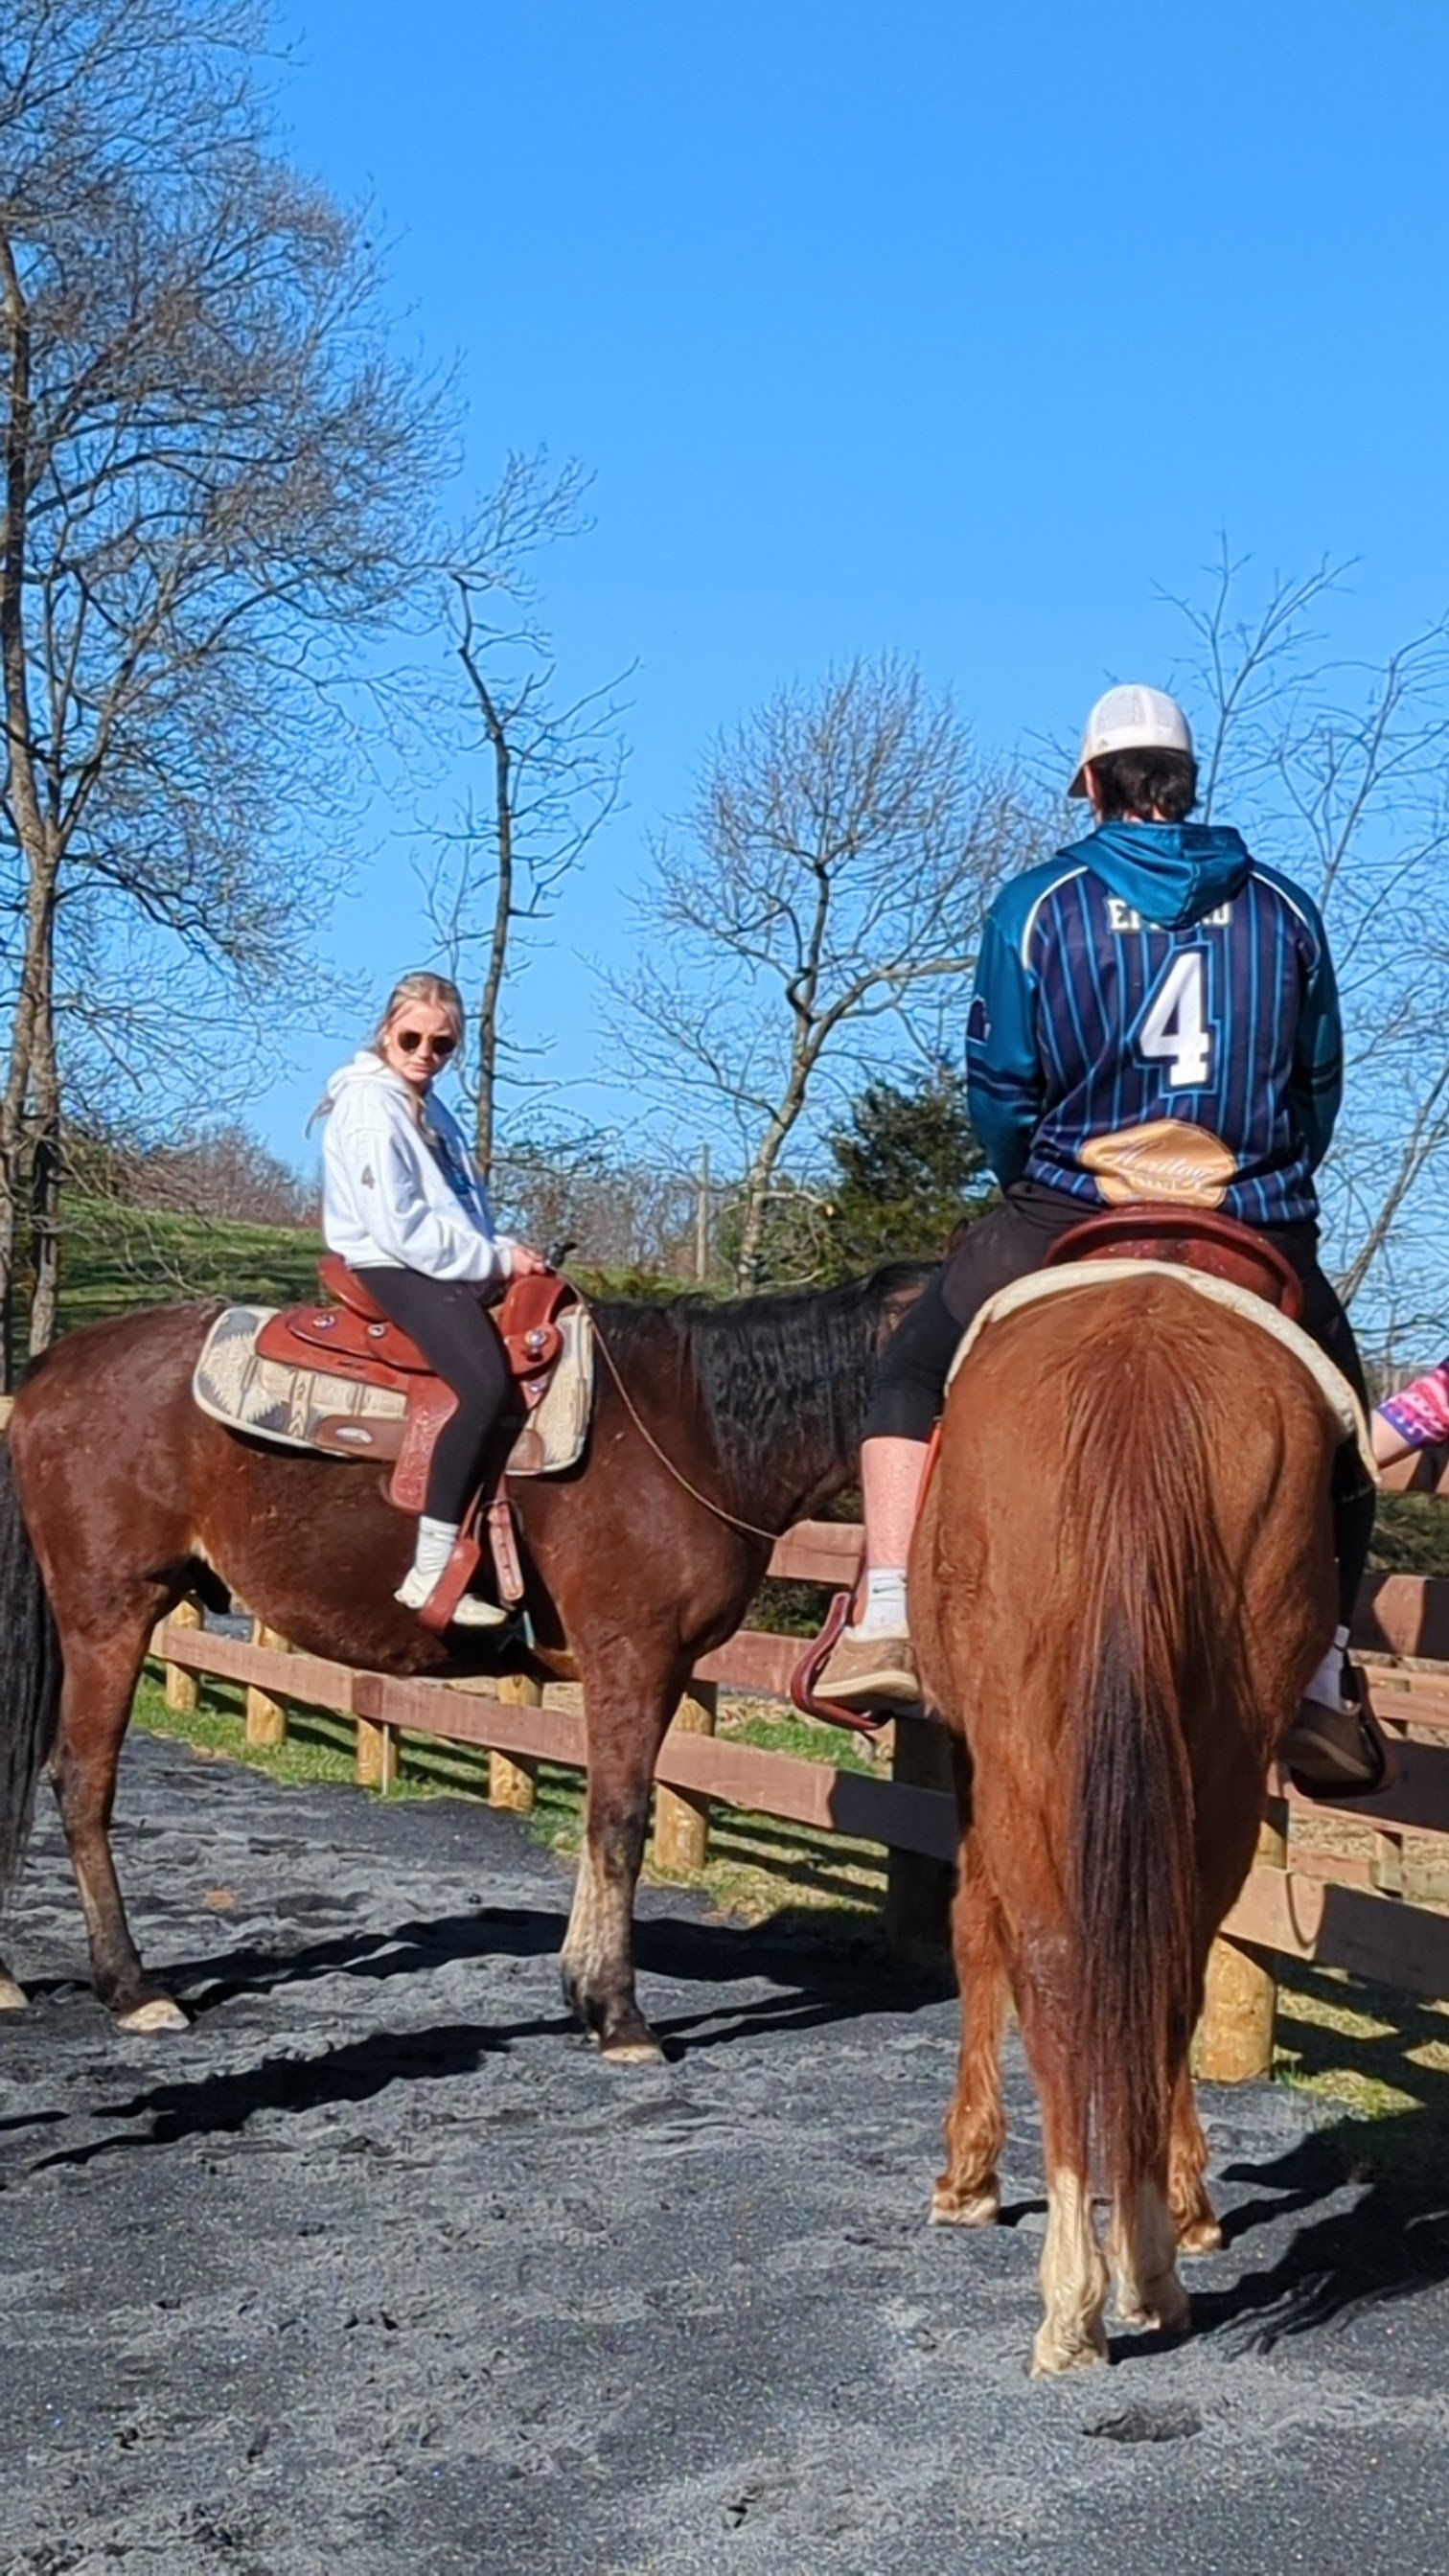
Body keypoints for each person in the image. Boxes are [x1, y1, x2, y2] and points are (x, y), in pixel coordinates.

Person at [816, 682, 1385, 1796]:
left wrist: (1027, 1176)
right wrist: (1274, 1178)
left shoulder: (1040, 903)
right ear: (1187, 778)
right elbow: (1319, 1080)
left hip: (1072, 1202)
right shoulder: (1284, 910)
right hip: (1249, 1213)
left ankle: (885, 1613)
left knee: (912, 1370)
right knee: (1343, 1430)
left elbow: (1000, 1086)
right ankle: (1321, 1678)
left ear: (1090, 781)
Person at [317, 972, 549, 1627]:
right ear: (387, 1031)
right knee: (481, 1383)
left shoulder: (430, 1107)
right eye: (412, 1037)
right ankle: (429, 1570)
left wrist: (503, 1252)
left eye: (441, 1044)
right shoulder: (369, 1107)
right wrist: (497, 1258)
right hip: (392, 1263)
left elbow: (456, 1212)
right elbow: (401, 1227)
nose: (424, 1053)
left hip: (443, 1262)